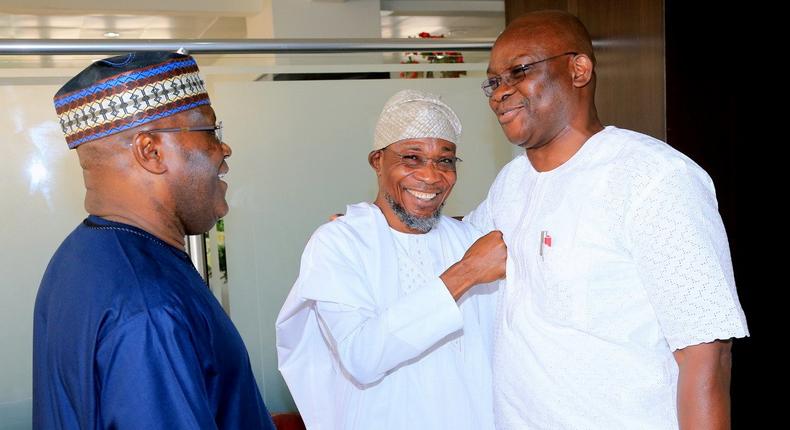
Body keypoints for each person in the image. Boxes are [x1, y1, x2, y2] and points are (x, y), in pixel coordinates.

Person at [465, 10, 750, 429]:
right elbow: (455, 243)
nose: (500, 93)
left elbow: (705, 352)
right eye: (494, 81)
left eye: (519, 71)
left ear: (578, 69)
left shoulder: (653, 177)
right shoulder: (510, 182)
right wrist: (376, 222)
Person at [33, 51, 276, 430]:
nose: (224, 150)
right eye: (210, 132)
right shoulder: (149, 308)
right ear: (151, 151)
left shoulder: (78, 257)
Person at [276, 89, 506, 430]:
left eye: (445, 160)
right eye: (411, 157)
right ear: (377, 161)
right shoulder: (340, 244)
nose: (431, 175)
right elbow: (362, 356)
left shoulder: (470, 240)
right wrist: (466, 273)